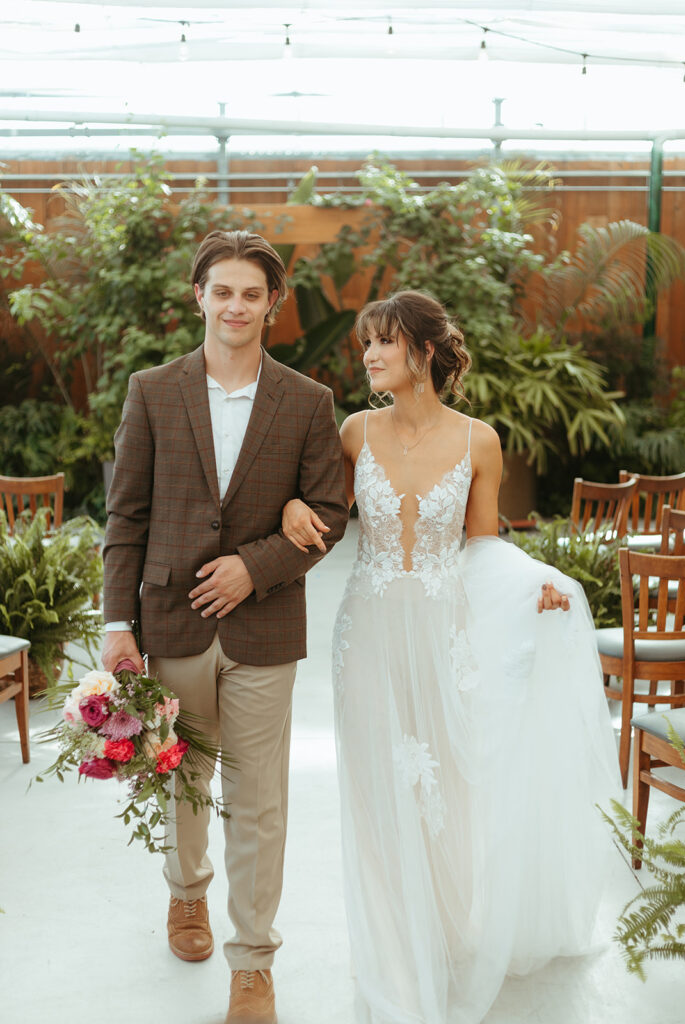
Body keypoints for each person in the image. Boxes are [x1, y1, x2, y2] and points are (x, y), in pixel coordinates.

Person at [282, 290, 621, 1024]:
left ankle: (438, 929)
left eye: (382, 342)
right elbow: (323, 514)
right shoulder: (352, 432)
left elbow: (481, 543)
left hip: (446, 632)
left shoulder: (479, 442)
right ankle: (393, 956)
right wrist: (289, 509)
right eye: (365, 344)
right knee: (376, 792)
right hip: (366, 632)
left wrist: (542, 583)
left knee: (445, 786)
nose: (367, 355)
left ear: (424, 351)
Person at [101, 229, 349, 1024]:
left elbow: (331, 514)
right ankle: (185, 895)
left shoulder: (308, 402)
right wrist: (116, 623)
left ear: (272, 305)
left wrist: (257, 565)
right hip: (169, 622)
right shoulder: (151, 391)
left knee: (260, 799)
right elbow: (126, 515)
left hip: (265, 630)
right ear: (197, 297)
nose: (235, 305)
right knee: (183, 779)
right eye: (223, 290)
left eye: (252, 293)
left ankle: (253, 961)